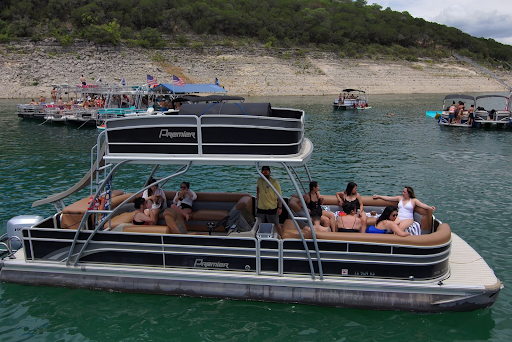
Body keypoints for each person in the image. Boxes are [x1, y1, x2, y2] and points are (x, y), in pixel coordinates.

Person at [256, 166, 282, 234]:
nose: (265, 173)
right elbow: (258, 189)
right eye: (264, 172)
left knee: (277, 224)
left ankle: (282, 237)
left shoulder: (275, 182)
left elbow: (279, 196)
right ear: (261, 173)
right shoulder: (259, 180)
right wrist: (258, 198)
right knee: (258, 224)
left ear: (269, 172)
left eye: (266, 172)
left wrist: (280, 207)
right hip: (261, 207)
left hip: (272, 207)